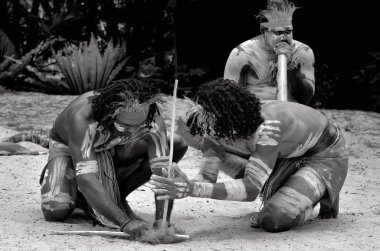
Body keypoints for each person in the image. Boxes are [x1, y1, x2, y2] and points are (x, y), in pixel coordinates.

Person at [150, 78, 348, 232]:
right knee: (223, 154)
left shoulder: (270, 127)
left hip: (324, 154)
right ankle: (294, 187)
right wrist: (180, 182)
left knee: (273, 220)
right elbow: (207, 178)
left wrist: (192, 189)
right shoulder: (214, 125)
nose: (205, 130)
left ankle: (317, 194)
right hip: (284, 155)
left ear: (226, 120)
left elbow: (251, 190)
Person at [40, 78, 187, 238]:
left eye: (140, 126)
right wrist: (125, 223)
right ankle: (74, 185)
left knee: (176, 144)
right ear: (111, 114)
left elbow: (162, 173)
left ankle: (112, 196)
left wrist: (162, 221)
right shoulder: (84, 117)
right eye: (126, 126)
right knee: (55, 208)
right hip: (70, 148)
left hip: (113, 146)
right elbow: (87, 178)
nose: (133, 132)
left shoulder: (151, 118)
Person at [223, 0, 315, 105]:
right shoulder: (242, 54)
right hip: (255, 111)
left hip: (292, 113)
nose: (284, 37)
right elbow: (230, 99)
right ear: (264, 32)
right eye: (278, 32)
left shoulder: (303, 52)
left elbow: (306, 99)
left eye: (288, 31)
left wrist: (289, 69)